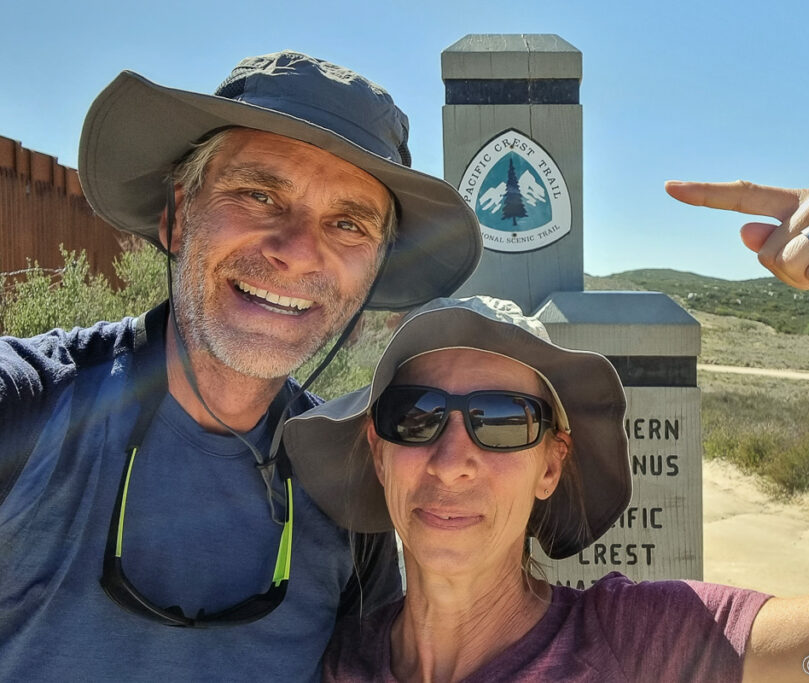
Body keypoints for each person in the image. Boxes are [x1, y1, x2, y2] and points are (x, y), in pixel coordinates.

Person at [283, 181, 809, 681]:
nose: (452, 459)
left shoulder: (643, 643)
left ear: (552, 464)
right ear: (379, 452)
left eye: (504, 421)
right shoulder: (333, 656)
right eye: (416, 417)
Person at [0, 51, 481, 681]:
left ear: (374, 271)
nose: (298, 252)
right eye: (258, 194)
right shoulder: (31, 409)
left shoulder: (350, 488)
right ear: (177, 215)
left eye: (347, 224)